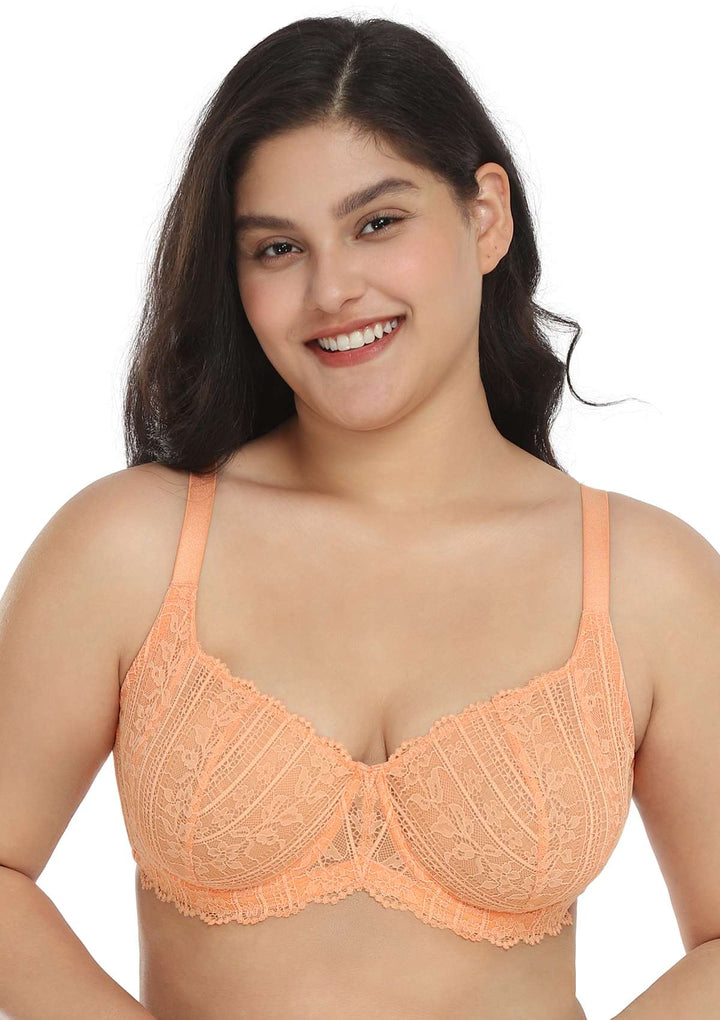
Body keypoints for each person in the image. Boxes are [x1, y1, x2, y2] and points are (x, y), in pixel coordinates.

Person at [1, 15, 718, 1020]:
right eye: (278, 247)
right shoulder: (131, 549)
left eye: (377, 223)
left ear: (486, 218)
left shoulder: (648, 580)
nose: (333, 290)